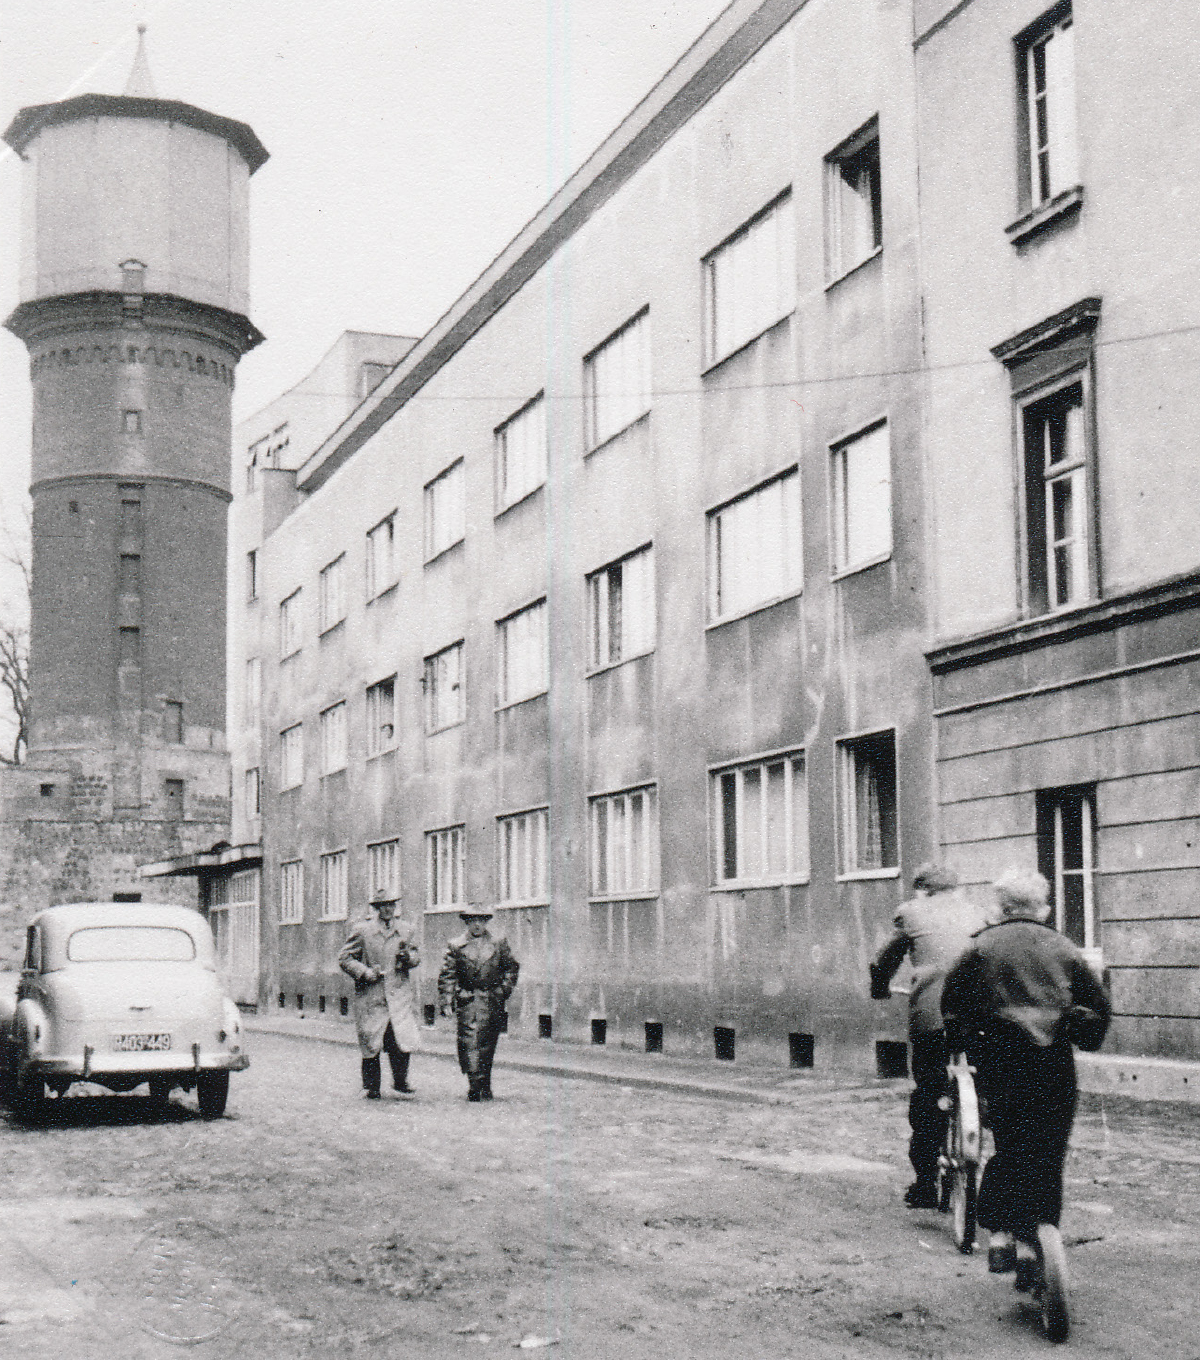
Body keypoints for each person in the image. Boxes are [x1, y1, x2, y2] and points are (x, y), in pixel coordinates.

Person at [941, 868, 1110, 1291]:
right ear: (1044, 908)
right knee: (1048, 1148)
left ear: (1000, 908)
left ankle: (999, 1234)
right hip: (1052, 1061)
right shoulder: (1065, 948)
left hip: (997, 1060)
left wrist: (962, 1041)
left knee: (1009, 1143)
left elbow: (952, 1003)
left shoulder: (980, 947)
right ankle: (1037, 1235)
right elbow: (1097, 1008)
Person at [870, 862, 993, 1209]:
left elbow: (885, 958)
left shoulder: (911, 912)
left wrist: (879, 986)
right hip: (978, 1017)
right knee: (983, 1084)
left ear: (921, 890)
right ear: (956, 889)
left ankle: (925, 1183)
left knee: (928, 1093)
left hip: (933, 1015)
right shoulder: (978, 912)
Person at [337, 889, 422, 1100]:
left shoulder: (406, 930)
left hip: (398, 993)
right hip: (372, 994)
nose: (388, 909)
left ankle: (401, 1081)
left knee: (400, 1038)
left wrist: (408, 958)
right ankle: (371, 1086)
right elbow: (344, 958)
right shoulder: (363, 931)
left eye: (391, 905)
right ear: (376, 908)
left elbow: (416, 955)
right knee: (371, 1042)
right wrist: (365, 972)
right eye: (383, 905)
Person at [438, 905, 519, 1102]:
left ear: (486, 922)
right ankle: (474, 1085)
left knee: (488, 1043)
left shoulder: (498, 943)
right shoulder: (456, 945)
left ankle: (485, 1083)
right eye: (472, 921)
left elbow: (511, 968)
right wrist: (447, 999)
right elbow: (448, 974)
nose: (477, 925)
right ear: (466, 922)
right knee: (469, 1043)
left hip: (491, 1000)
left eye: (481, 921)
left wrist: (502, 991)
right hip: (468, 999)